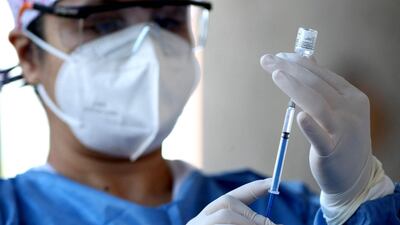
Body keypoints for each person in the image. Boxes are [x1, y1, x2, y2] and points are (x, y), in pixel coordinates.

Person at [0, 0, 399, 224]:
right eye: (103, 24)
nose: (149, 51)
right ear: (28, 54)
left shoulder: (275, 208)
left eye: (168, 19)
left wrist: (361, 198)